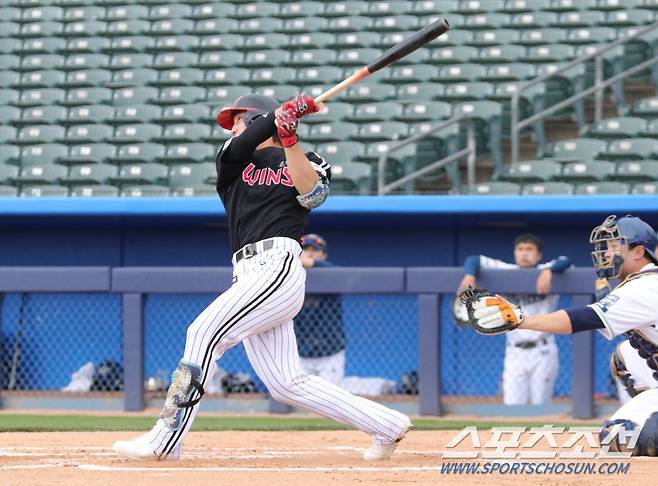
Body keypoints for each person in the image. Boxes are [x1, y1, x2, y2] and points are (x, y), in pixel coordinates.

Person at [112, 93, 410, 462]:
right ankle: (388, 425)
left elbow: (312, 195)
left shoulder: (308, 158)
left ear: (252, 118)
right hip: (247, 272)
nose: (232, 126)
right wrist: (278, 115)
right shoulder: (233, 160)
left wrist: (289, 138)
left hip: (278, 266)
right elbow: (243, 141)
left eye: (238, 119)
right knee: (286, 383)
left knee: (202, 333)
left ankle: (165, 440)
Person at [460, 215, 658, 456]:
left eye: (615, 246)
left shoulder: (645, 285)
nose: (606, 253)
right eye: (606, 246)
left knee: (621, 437)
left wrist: (523, 320)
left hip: (540, 349)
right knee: (625, 356)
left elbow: (582, 318)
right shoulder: (643, 282)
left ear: (638, 252)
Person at [457, 234, 571, 405]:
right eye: (520, 249)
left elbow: (566, 260)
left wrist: (548, 270)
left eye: (529, 249)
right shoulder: (505, 270)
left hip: (543, 350)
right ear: (515, 253)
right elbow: (474, 259)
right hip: (514, 351)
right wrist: (469, 275)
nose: (524, 253)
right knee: (512, 405)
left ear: (539, 255)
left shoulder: (545, 269)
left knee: (541, 405)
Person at [296, 233, 346, 386]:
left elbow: (339, 274)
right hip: (300, 352)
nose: (310, 253)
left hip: (330, 352)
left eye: (315, 250)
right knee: (301, 402)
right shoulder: (291, 276)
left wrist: (307, 262)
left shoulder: (331, 274)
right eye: (305, 249)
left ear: (323, 255)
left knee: (332, 400)